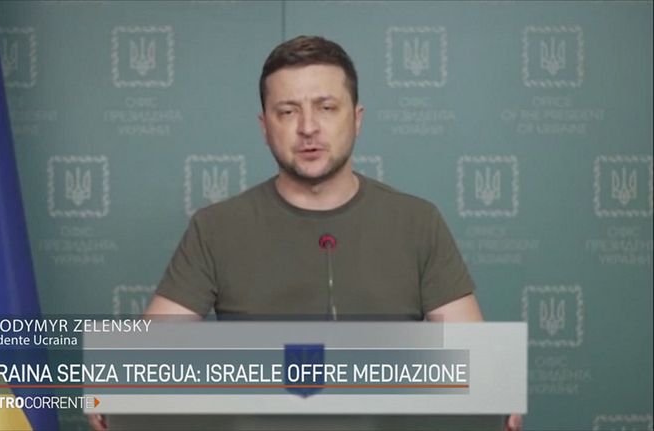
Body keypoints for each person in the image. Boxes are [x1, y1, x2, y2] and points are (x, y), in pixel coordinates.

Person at [90, 35, 522, 431]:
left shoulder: (418, 221)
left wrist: (496, 392)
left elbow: (473, 360)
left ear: (357, 119)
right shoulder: (215, 228)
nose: (308, 127)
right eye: (288, 111)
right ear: (264, 127)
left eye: (326, 107)